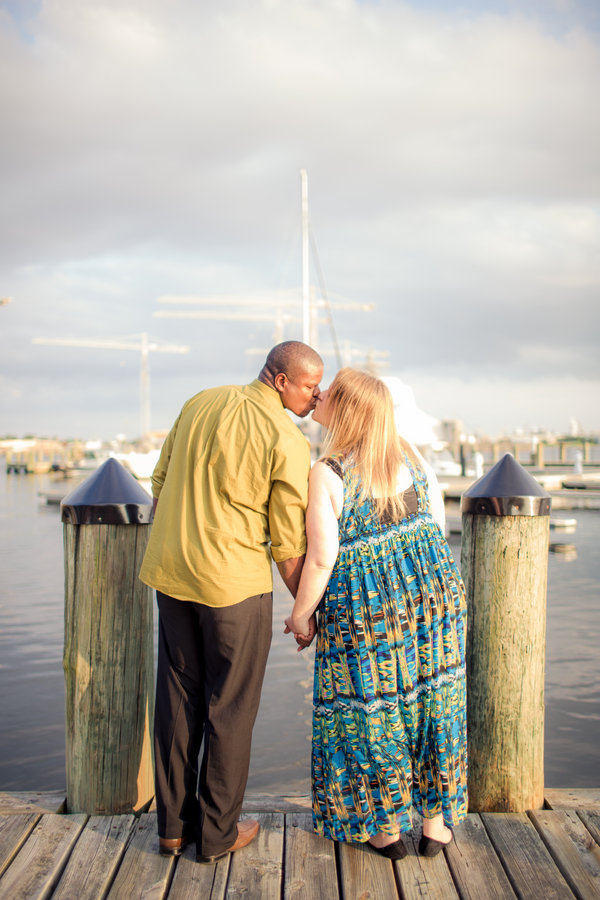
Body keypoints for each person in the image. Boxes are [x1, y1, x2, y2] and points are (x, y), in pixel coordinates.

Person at [139, 341, 323, 864]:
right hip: (233, 588)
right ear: (281, 380)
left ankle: (172, 830)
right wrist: (303, 610)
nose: (317, 396)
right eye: (310, 385)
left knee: (177, 699)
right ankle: (218, 835)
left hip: (172, 576)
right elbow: (288, 543)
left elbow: (159, 482)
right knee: (231, 709)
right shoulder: (286, 439)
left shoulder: (200, 401)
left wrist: (183, 535)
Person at [285, 368, 468, 860]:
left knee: (371, 710)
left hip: (372, 610)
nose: (319, 395)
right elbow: (436, 524)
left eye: (329, 393)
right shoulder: (411, 456)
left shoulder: (329, 471)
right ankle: (435, 826)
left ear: (344, 412)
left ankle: (385, 830)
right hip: (435, 597)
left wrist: (301, 615)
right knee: (434, 703)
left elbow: (323, 559)